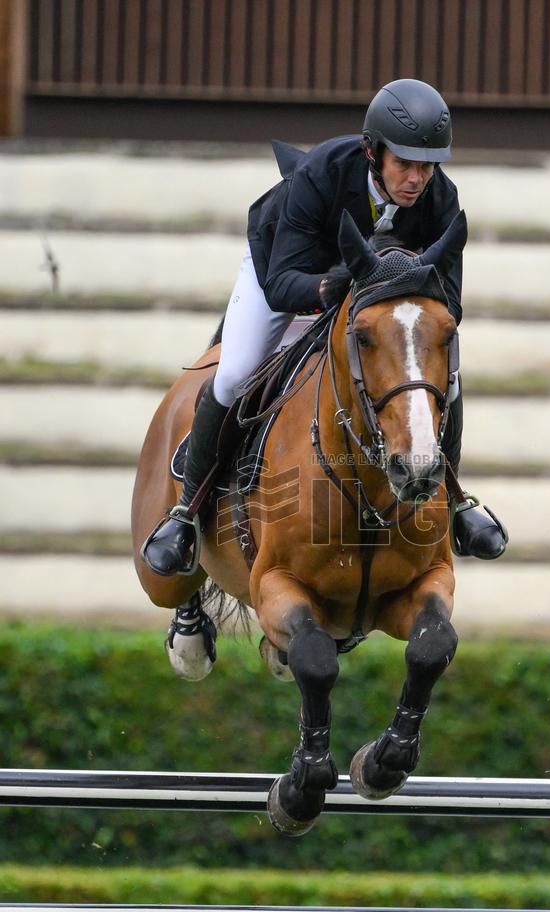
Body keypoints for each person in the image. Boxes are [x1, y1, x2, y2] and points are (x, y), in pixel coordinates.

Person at [142, 78, 507, 576]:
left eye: (428, 165)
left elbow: (449, 303)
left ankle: (454, 501)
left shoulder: (441, 199)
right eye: (405, 163)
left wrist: (388, 300)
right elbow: (281, 282)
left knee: (448, 380)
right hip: (289, 272)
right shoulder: (323, 174)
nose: (417, 178)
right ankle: (186, 511)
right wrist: (329, 290)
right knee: (234, 373)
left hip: (373, 305)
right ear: (372, 152)